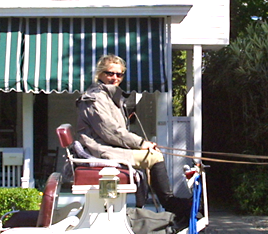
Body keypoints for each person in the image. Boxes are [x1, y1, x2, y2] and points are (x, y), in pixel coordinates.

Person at [76, 54, 191, 220]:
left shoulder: (110, 97)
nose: (115, 78)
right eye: (110, 73)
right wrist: (141, 143)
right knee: (154, 156)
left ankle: (150, 206)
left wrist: (142, 143)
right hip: (99, 150)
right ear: (100, 74)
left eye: (119, 74)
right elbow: (111, 132)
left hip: (109, 146)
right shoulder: (95, 98)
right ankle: (170, 203)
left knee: (153, 153)